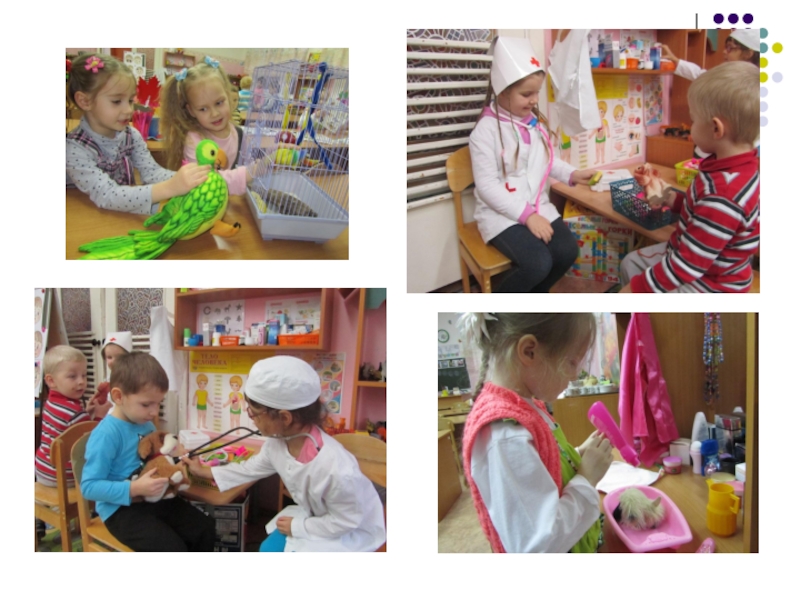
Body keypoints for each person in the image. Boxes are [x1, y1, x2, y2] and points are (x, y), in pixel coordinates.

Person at [183, 356, 386, 552]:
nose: (251, 418)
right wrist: (205, 471)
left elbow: (346, 521)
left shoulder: (336, 468)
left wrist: (298, 527)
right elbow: (250, 468)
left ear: (285, 417)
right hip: (319, 516)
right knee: (267, 549)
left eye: (253, 413)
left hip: (349, 530)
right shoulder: (279, 443)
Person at [459, 313, 612, 553]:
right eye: (572, 362)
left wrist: (577, 454)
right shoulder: (505, 436)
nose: (575, 375)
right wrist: (587, 479)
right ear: (529, 351)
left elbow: (541, 467)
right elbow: (537, 545)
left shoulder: (527, 407)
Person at [469, 37, 597, 293]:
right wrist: (527, 216)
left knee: (567, 251)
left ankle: (534, 299)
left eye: (537, 92)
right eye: (526, 94)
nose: (535, 100)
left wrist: (573, 174)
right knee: (537, 263)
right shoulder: (485, 132)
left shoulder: (533, 124)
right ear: (503, 91)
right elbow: (487, 187)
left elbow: (546, 161)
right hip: (501, 215)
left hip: (537, 207)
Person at [619, 61, 760, 293]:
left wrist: (635, 291)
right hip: (694, 258)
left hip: (711, 284)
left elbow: (685, 266)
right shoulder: (730, 167)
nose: (691, 127)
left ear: (716, 129)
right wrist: (666, 196)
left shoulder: (724, 196)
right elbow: (700, 207)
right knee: (630, 264)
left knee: (637, 280)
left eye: (693, 120)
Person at [81, 353, 216, 551]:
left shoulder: (146, 424)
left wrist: (177, 458)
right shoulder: (106, 434)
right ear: (118, 396)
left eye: (158, 403)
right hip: (120, 509)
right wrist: (134, 489)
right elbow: (89, 487)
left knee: (205, 528)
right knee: (172, 548)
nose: (154, 412)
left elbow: (156, 457)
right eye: (146, 404)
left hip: (154, 497)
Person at [66, 53, 210, 214]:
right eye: (116, 101)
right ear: (85, 101)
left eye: (130, 100)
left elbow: (152, 173)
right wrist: (170, 187)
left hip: (120, 215)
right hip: (88, 218)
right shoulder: (74, 149)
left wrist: (191, 179)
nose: (129, 110)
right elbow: (107, 195)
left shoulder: (131, 135)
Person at [160, 56, 255, 196]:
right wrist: (252, 171)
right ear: (191, 111)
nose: (215, 113)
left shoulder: (239, 134)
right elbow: (207, 182)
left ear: (228, 95)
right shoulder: (194, 140)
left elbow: (249, 165)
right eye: (203, 109)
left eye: (219, 103)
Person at [35, 346, 106, 487]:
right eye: (72, 376)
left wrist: (87, 413)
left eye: (84, 375)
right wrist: (99, 417)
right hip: (64, 477)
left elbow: (67, 426)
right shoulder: (74, 412)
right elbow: (93, 441)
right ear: (51, 381)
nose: (81, 381)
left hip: (42, 470)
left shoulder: (50, 402)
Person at [661, 29, 760, 82]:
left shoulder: (753, 84)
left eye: (730, 47)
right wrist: (677, 61)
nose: (724, 52)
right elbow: (702, 75)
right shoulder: (727, 75)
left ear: (748, 54)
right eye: (726, 47)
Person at [88, 331, 133, 415]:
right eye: (109, 357)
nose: (113, 361)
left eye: (119, 357)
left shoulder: (130, 379)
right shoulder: (110, 377)